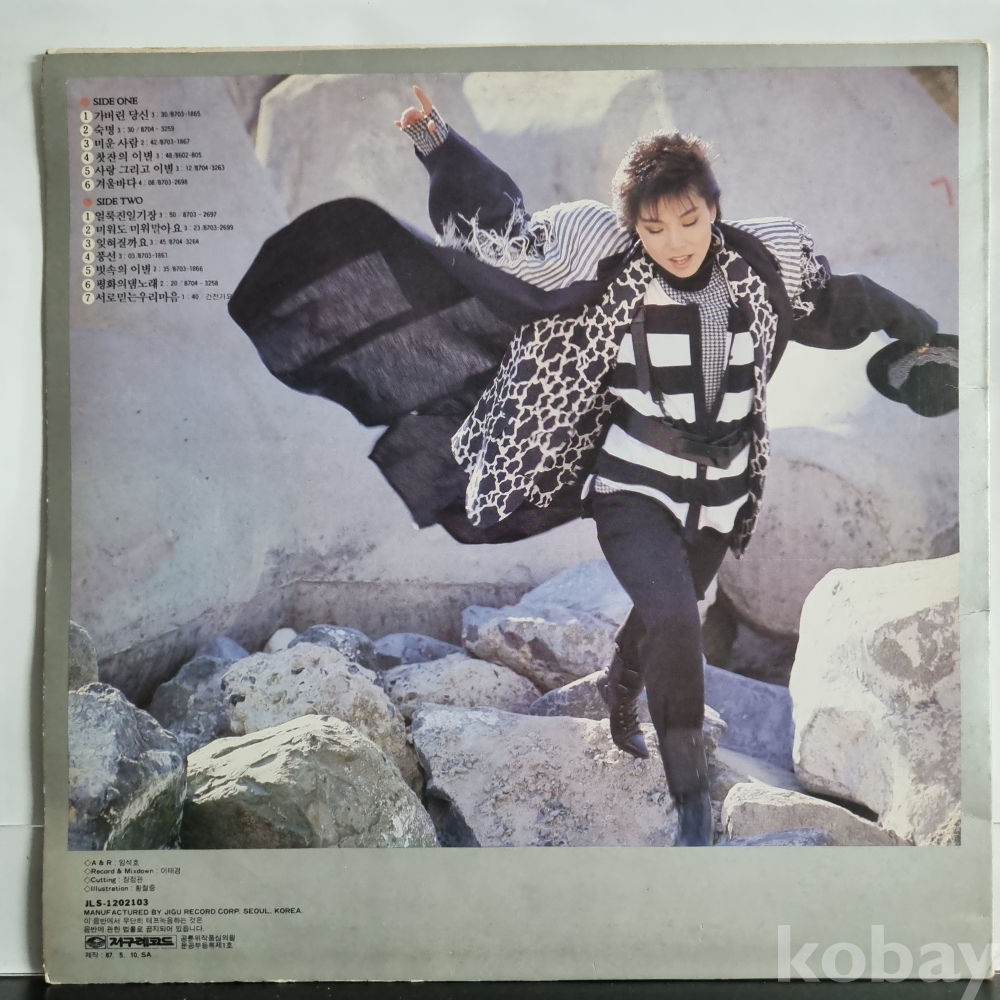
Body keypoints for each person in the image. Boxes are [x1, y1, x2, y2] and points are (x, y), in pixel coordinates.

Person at [229, 84, 957, 847]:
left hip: (723, 491)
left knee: (669, 607)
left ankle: (620, 682)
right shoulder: (601, 257)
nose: (675, 241)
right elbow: (503, 235)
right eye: (655, 227)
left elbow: (848, 301)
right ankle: (690, 806)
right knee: (676, 617)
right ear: (632, 225)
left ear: (713, 207)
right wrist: (440, 146)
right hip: (632, 481)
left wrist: (922, 339)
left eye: (689, 219)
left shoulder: (765, 263)